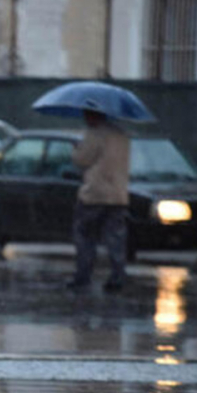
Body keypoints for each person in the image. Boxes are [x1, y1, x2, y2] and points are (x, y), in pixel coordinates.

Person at [67, 109, 131, 292]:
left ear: (93, 116)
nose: (85, 118)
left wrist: (76, 149)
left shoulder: (94, 135)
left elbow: (81, 160)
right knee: (115, 239)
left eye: (87, 115)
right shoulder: (122, 135)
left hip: (94, 195)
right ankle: (117, 277)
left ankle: (83, 277)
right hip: (118, 196)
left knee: (85, 237)